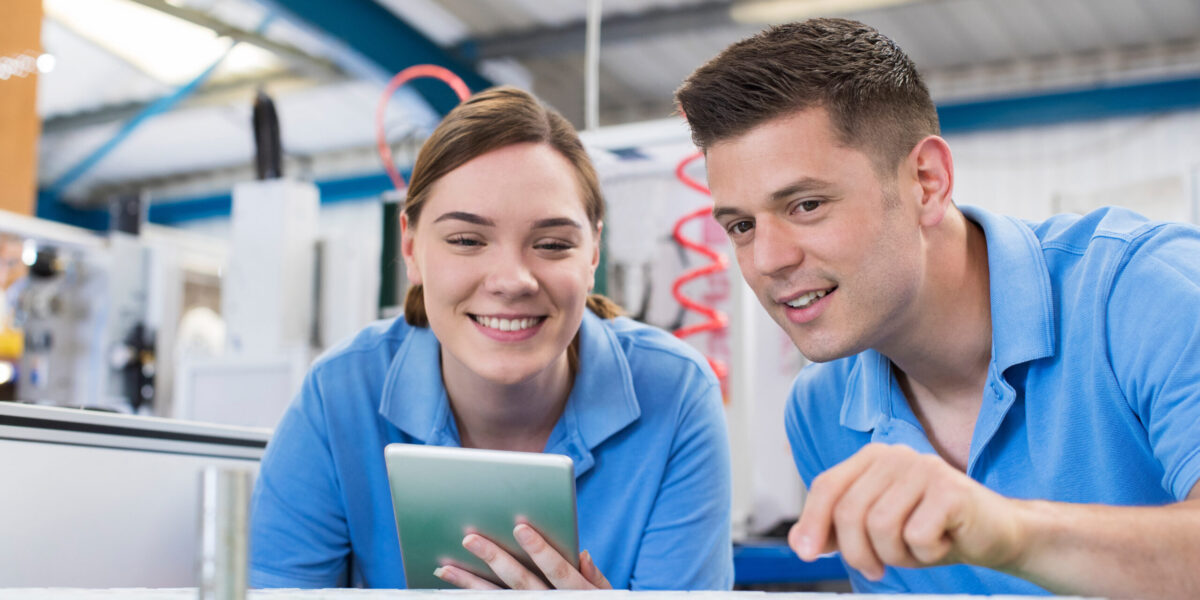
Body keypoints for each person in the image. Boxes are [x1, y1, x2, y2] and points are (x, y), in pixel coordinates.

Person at [675, 17, 1200, 599]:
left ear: (926, 181)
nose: (767, 260)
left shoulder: (1145, 290)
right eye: (742, 226)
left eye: (806, 205)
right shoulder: (822, 410)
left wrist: (1008, 532)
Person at [250, 86, 733, 590]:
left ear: (592, 255)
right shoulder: (340, 394)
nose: (512, 280)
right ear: (412, 248)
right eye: (466, 241)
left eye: (551, 244)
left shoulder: (675, 393)